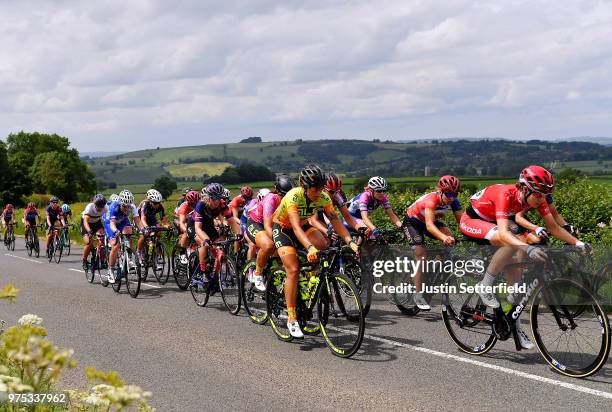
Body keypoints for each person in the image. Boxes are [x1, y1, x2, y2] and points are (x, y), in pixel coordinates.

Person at [459, 165, 589, 349]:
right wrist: (528, 249)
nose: (542, 199)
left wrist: (578, 243)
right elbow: (504, 233)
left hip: (495, 221)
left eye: (545, 194)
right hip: (473, 221)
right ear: (524, 188)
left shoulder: (536, 198)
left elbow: (553, 227)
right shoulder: (505, 194)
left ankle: (513, 324)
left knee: (516, 270)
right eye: (538, 194)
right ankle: (485, 285)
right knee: (512, 242)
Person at [272, 165, 359, 338]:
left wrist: (350, 242)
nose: (319, 191)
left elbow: (336, 222)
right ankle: (291, 317)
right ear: (304, 187)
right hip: (283, 229)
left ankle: (312, 282)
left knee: (323, 246)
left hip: (304, 227)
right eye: (315, 188)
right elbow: (295, 228)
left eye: (321, 187)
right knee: (293, 269)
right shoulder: (293, 196)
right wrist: (309, 247)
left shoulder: (324, 197)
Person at [402, 175, 463, 310]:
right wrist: (444, 238)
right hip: (413, 223)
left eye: (455, 194)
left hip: (429, 220)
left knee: (448, 235)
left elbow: (462, 223)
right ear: (440, 191)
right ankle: (418, 294)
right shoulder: (431, 200)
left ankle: (434, 267)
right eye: (448, 194)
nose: (451, 197)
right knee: (421, 255)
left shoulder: (454, 201)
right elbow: (430, 226)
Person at [245, 175, 295, 291]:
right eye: (284, 195)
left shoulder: (291, 200)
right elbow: (267, 226)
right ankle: (257, 274)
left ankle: (273, 270)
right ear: (278, 192)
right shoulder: (271, 199)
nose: (287, 198)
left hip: (273, 224)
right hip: (256, 223)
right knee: (269, 245)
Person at [192, 183, 241, 281]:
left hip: (209, 225)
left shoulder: (222, 204)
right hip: (195, 225)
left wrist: (239, 234)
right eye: (214, 198)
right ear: (208, 197)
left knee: (218, 250)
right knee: (204, 244)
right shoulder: (201, 204)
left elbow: (231, 221)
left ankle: (216, 276)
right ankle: (203, 272)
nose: (217, 201)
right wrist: (206, 239)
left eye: (219, 197)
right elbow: (198, 228)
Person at [310, 172, 367, 240]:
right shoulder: (316, 195)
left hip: (328, 213)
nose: (334, 194)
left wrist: (359, 228)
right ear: (323, 188)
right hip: (315, 216)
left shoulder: (337, 195)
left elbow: (347, 216)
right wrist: (328, 227)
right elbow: (313, 220)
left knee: (336, 230)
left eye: (337, 191)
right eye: (331, 191)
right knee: (324, 238)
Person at [103, 189, 142, 283]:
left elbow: (137, 220)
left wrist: (142, 229)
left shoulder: (131, 206)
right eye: (124, 206)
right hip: (110, 223)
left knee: (129, 233)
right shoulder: (113, 207)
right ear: (120, 203)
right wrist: (116, 231)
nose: (126, 209)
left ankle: (130, 257)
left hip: (123, 220)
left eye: (128, 206)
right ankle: (111, 270)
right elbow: (112, 224)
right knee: (115, 246)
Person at [137, 189, 169, 261]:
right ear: (150, 201)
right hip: (140, 220)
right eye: (154, 203)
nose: (157, 205)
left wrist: (166, 225)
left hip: (151, 219)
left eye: (158, 202)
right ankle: (139, 251)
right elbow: (143, 219)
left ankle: (155, 249)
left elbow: (163, 219)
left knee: (158, 232)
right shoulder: (145, 205)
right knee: (143, 235)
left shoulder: (160, 206)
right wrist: (146, 227)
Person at [81, 194, 108, 270]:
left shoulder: (106, 208)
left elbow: (108, 220)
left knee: (102, 240)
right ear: (95, 204)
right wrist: (89, 231)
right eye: (98, 206)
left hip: (97, 223)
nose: (100, 208)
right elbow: (85, 221)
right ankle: (84, 261)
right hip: (86, 224)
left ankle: (102, 261)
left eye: (102, 206)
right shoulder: (90, 207)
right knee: (89, 242)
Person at [174, 190, 200, 264]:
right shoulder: (184, 206)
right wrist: (187, 230)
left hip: (191, 219)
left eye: (196, 203)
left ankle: (192, 248)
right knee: (186, 231)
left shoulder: (200, 204)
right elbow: (182, 223)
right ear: (188, 202)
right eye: (192, 204)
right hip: (179, 219)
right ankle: (182, 253)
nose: (194, 205)